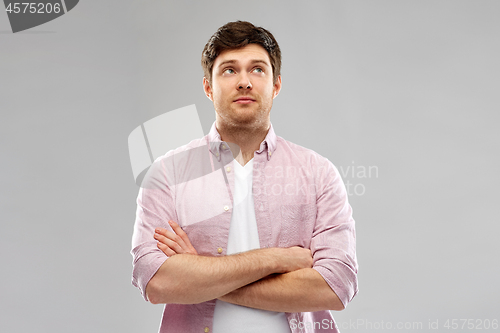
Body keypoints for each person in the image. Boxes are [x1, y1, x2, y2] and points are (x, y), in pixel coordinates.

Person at [131, 21, 358, 333]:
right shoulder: (167, 174)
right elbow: (156, 281)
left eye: (257, 70)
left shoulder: (319, 174)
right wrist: (277, 260)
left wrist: (199, 276)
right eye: (229, 70)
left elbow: (335, 286)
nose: (244, 82)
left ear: (276, 85)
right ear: (208, 87)